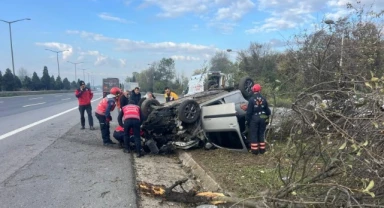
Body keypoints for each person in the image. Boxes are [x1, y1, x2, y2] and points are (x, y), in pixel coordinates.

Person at [246, 84, 271, 155]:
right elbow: (268, 111)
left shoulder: (251, 99)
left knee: (254, 134)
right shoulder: (264, 98)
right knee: (261, 134)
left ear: (253, 90)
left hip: (254, 118)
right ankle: (262, 150)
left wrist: (247, 120)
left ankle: (255, 151)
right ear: (260, 90)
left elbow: (249, 112)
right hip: (263, 117)